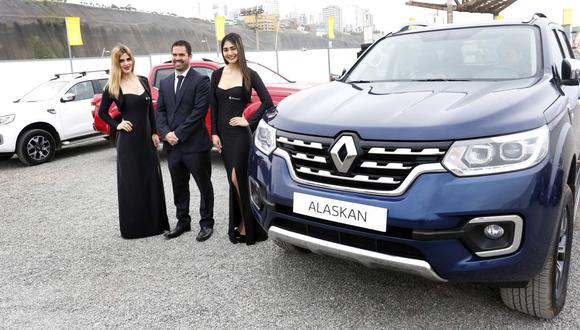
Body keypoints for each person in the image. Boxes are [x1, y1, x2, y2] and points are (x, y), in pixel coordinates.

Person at [98, 44, 169, 239]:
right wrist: (117, 124)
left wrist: (155, 133)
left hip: (147, 140)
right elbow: (102, 112)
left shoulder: (143, 80)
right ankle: (135, 229)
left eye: (128, 59)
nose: (126, 63)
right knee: (132, 184)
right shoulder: (113, 85)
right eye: (121, 60)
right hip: (128, 143)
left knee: (150, 179)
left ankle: (155, 224)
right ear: (116, 63)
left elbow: (149, 111)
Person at [210, 33, 273, 245]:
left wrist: (248, 121)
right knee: (233, 180)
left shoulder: (249, 74)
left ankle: (249, 225)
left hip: (240, 135)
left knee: (238, 179)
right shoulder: (216, 75)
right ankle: (242, 223)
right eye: (226, 49)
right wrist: (215, 134)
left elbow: (267, 102)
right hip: (224, 137)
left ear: (240, 48)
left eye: (233, 48)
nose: (230, 53)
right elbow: (215, 107)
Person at [156, 40, 214, 241]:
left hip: (195, 145)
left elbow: (198, 113)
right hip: (172, 147)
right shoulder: (164, 82)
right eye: (174, 54)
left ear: (190, 56)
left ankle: (206, 223)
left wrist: (178, 134)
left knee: (203, 185)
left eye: (181, 55)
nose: (177, 58)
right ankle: (183, 222)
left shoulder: (201, 81)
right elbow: (160, 111)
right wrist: (166, 133)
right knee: (179, 185)